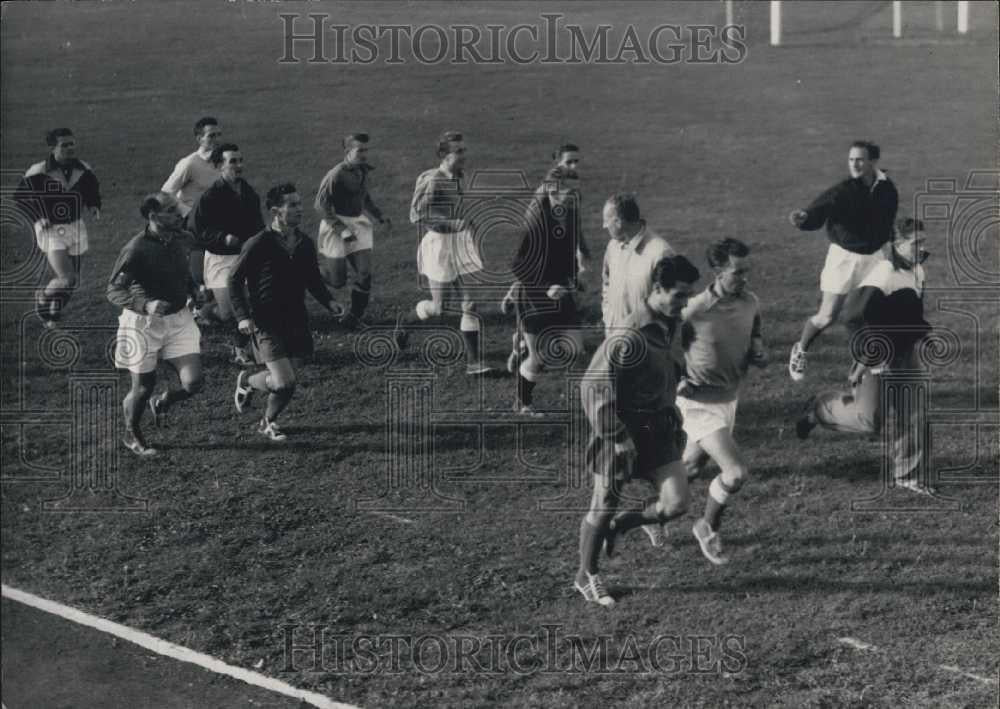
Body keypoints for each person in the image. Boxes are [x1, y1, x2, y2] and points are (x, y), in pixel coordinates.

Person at [575, 255, 699, 607]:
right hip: (622, 430)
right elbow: (593, 386)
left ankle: (625, 525)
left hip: (658, 427)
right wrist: (617, 435)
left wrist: (678, 379)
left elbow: (664, 361)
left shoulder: (669, 321)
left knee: (677, 503)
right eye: (679, 295)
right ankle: (586, 575)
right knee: (602, 505)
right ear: (657, 290)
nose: (685, 302)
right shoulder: (629, 334)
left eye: (689, 295)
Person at [796, 218, 932, 494]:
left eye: (923, 242)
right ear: (897, 244)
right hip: (876, 356)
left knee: (915, 413)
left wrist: (923, 334)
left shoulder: (918, 269)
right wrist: (871, 356)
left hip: (905, 354)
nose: (922, 248)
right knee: (869, 421)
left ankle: (907, 474)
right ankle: (819, 409)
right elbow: (853, 317)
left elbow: (912, 311)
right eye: (916, 243)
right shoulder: (882, 274)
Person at [677, 238, 768, 565]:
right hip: (697, 402)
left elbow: (755, 331)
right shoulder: (695, 309)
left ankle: (638, 519)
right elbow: (664, 344)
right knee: (736, 473)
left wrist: (758, 350)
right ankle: (707, 526)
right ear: (716, 272)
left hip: (728, 399)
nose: (745, 278)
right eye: (737, 272)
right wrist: (677, 377)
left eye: (747, 271)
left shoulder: (750, 302)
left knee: (688, 468)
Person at [230, 183, 341, 442]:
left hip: (296, 319)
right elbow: (233, 280)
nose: (300, 209)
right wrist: (243, 317)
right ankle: (266, 421)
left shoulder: (304, 243)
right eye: (292, 205)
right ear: (275, 211)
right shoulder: (259, 243)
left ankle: (249, 381)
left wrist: (329, 302)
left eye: (300, 203)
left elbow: (312, 278)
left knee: (289, 374)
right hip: (265, 321)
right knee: (284, 382)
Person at [599, 192, 677, 546]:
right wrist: (607, 324)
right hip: (616, 351)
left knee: (648, 432)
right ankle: (608, 508)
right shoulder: (615, 247)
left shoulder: (660, 252)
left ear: (625, 220)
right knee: (614, 431)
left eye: (608, 218)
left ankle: (649, 512)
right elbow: (605, 286)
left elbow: (671, 306)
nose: (603, 225)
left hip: (645, 358)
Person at [787, 140, 898, 382]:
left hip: (875, 258)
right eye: (851, 159)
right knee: (827, 316)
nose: (855, 164)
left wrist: (891, 246)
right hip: (844, 259)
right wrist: (804, 218)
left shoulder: (887, 189)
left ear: (873, 162)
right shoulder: (843, 190)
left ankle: (870, 362)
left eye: (860, 159)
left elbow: (888, 220)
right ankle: (801, 349)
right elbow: (817, 211)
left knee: (867, 312)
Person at [108, 193, 202, 457]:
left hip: (179, 319)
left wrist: (194, 290)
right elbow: (113, 290)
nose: (178, 215)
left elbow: (183, 272)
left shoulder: (184, 238)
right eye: (171, 211)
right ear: (153, 217)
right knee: (142, 387)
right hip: (143, 323)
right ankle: (131, 432)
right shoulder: (135, 248)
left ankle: (163, 401)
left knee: (193, 382)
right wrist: (145, 305)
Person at [506, 145, 592, 415]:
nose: (574, 197)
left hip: (561, 289)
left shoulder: (570, 213)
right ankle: (523, 403)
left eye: (576, 192)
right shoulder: (536, 223)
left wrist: (576, 276)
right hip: (533, 295)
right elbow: (518, 265)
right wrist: (546, 288)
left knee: (575, 350)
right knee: (539, 358)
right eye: (569, 192)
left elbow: (573, 246)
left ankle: (522, 344)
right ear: (553, 191)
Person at [409, 130, 493, 375]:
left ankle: (474, 363)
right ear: (444, 155)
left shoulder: (460, 175)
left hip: (459, 242)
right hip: (439, 245)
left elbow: (456, 210)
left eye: (464, 150)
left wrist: (468, 228)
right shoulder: (433, 180)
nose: (464, 155)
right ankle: (405, 324)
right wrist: (452, 224)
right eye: (459, 151)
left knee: (470, 303)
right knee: (439, 308)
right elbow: (416, 216)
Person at [15, 128, 101, 327]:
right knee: (67, 278)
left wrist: (94, 205)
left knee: (73, 281)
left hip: (75, 227)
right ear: (53, 148)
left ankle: (53, 312)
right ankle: (43, 298)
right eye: (65, 145)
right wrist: (39, 217)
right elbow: (20, 199)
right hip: (51, 230)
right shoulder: (38, 171)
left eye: (72, 143)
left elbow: (91, 190)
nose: (70, 148)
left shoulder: (83, 168)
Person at [188, 143, 265, 365]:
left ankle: (205, 313)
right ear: (220, 165)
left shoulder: (249, 192)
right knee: (231, 311)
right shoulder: (210, 197)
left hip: (245, 256)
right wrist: (222, 238)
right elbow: (196, 230)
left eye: (240, 160)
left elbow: (258, 224)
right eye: (233, 161)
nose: (239, 165)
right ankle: (237, 348)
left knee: (242, 306)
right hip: (220, 260)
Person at [314, 132, 391, 331]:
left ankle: (354, 318)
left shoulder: (362, 170)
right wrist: (341, 230)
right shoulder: (336, 174)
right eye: (360, 150)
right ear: (348, 151)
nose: (365, 154)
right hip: (336, 226)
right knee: (337, 281)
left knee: (364, 274)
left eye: (366, 150)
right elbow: (320, 206)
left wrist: (379, 215)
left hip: (358, 225)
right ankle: (308, 271)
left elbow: (364, 197)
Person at [161, 116, 222, 320]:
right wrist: (188, 212)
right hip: (193, 223)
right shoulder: (189, 163)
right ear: (199, 138)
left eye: (218, 135)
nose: (216, 139)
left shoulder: (222, 162)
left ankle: (203, 306)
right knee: (197, 267)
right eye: (211, 135)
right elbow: (166, 192)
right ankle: (194, 305)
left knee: (214, 262)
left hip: (215, 222)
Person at [600, 193, 675, 333]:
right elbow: (606, 283)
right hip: (614, 338)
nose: (605, 227)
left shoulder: (660, 253)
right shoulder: (612, 247)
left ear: (618, 222)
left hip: (645, 342)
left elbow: (671, 301)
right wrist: (608, 317)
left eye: (607, 222)